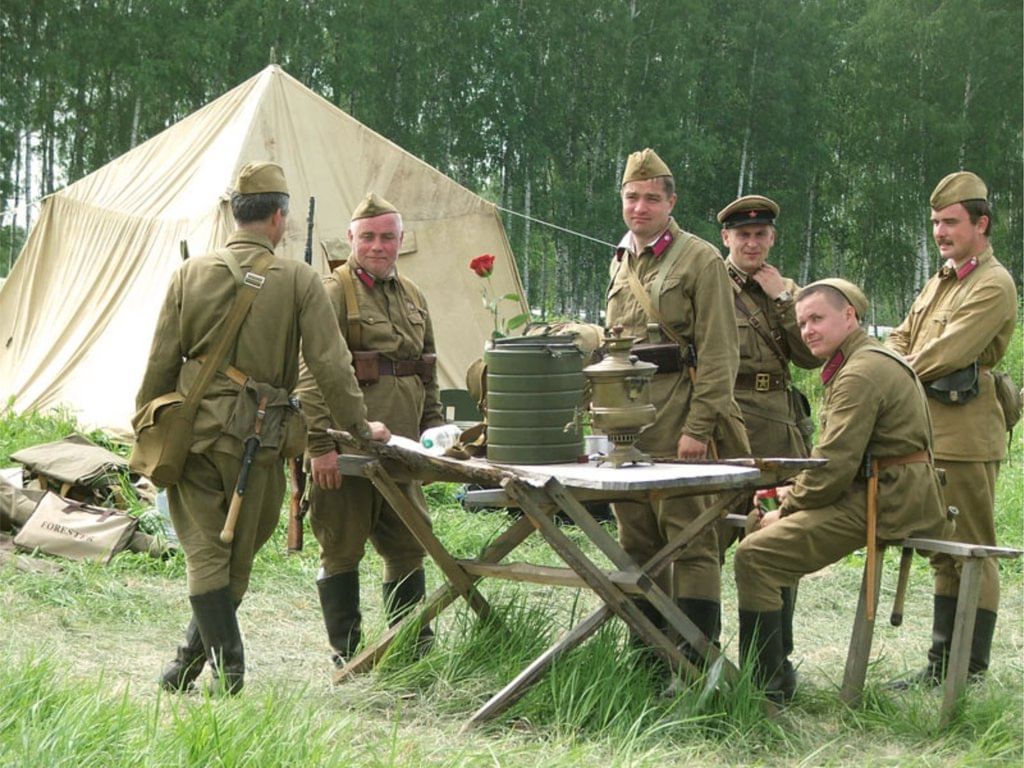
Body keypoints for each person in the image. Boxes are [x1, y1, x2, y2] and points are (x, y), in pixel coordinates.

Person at [137, 162, 389, 694]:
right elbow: (329, 363)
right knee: (233, 557)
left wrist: (149, 428)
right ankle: (229, 675)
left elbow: (160, 364)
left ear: (235, 212)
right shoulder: (296, 278)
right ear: (279, 217)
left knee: (209, 552)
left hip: (195, 432)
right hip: (260, 437)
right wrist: (359, 427)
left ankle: (187, 663)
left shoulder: (189, 273)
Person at [733, 279, 951, 703]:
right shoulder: (861, 361)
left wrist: (791, 503)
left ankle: (765, 691)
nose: (807, 330)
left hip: (886, 501)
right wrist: (789, 494)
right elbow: (836, 459)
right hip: (880, 489)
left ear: (849, 315)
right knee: (759, 528)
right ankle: (776, 671)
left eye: (817, 318)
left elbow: (832, 467)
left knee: (755, 556)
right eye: (802, 322)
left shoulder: (861, 372)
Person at [605, 148, 749, 661]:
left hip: (680, 421)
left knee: (691, 543)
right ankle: (646, 657)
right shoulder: (621, 260)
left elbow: (719, 351)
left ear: (671, 202)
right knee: (637, 542)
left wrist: (700, 426)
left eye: (650, 198)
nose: (639, 207)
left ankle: (696, 662)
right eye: (631, 197)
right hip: (630, 427)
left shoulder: (700, 258)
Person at [295, 192, 445, 666]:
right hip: (348, 450)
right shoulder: (334, 290)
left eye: (387, 237)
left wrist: (437, 429)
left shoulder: (414, 295)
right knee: (342, 547)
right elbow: (310, 370)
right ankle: (349, 656)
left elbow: (427, 368)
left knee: (407, 545)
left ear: (401, 240)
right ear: (351, 238)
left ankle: (409, 649)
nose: (377, 246)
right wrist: (320, 445)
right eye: (367, 237)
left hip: (401, 450)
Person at [886, 171, 1016, 685]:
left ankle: (969, 669)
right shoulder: (941, 279)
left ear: (981, 224)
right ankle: (941, 667)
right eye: (936, 222)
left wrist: (883, 379)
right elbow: (900, 337)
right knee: (942, 550)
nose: (940, 232)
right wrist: (886, 365)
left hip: (966, 430)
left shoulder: (993, 283)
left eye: (951, 222)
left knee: (973, 550)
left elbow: (945, 353)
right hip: (926, 431)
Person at [715, 194, 823, 682]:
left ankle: (774, 660)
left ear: (772, 238)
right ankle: (702, 653)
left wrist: (783, 300)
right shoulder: (710, 284)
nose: (752, 243)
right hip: (727, 424)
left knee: (779, 538)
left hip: (778, 429)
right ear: (727, 239)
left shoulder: (791, 293)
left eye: (761, 235)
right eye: (743, 236)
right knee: (709, 536)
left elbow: (809, 356)